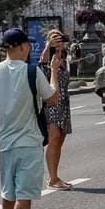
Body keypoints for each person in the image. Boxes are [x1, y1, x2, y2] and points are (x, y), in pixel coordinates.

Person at [0, 28, 65, 209]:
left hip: (3, 143)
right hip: (28, 142)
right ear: (19, 46)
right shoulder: (31, 71)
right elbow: (53, 97)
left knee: (8, 194)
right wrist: (54, 72)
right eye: (27, 45)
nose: (29, 48)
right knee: (24, 194)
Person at [43, 31, 75, 189]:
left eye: (60, 38)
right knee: (54, 138)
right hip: (52, 103)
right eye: (55, 39)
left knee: (60, 138)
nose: (59, 41)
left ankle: (54, 176)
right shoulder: (48, 57)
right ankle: (52, 178)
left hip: (63, 103)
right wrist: (49, 46)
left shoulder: (62, 58)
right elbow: (41, 63)